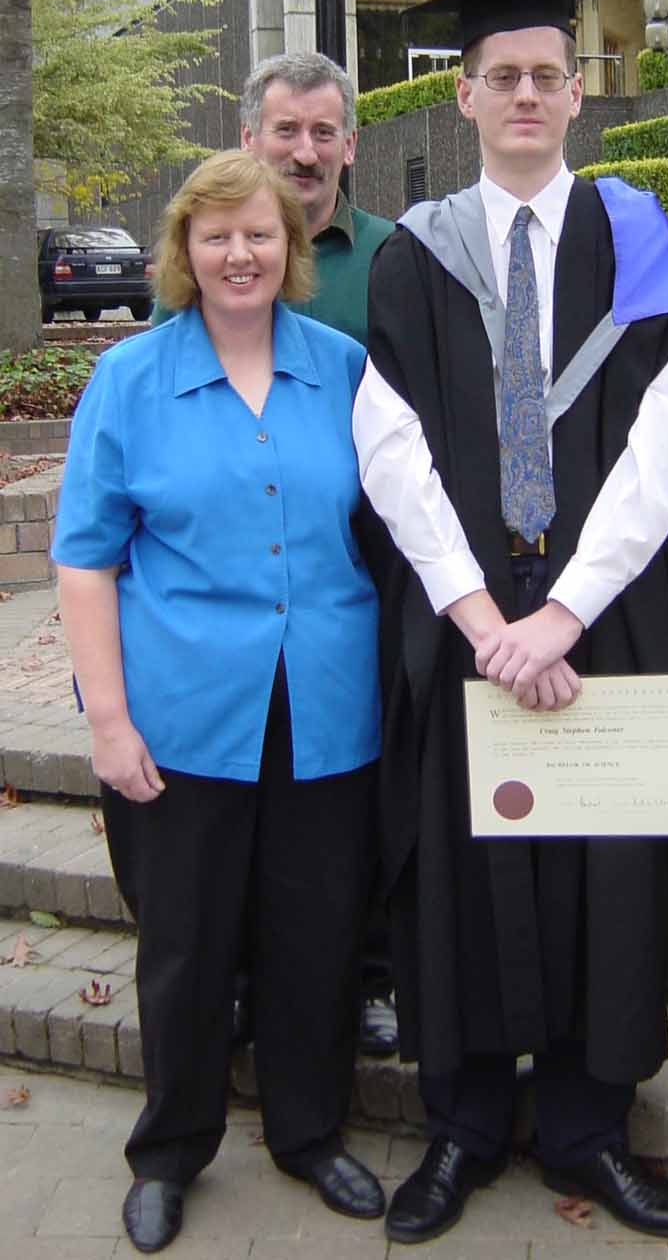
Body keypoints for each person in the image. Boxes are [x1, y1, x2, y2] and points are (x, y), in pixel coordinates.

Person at [353, 0, 668, 1245]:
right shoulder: (414, 252)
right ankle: (460, 1125)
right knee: (460, 861)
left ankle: (588, 1129)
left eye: (544, 77)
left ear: (575, 94)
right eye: (499, 77)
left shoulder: (635, 233)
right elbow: (388, 445)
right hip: (464, 624)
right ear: (462, 96)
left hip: (602, 612)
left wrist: (558, 613)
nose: (523, 95)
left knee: (607, 868)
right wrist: (477, 614)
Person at [52, 150, 385, 1253]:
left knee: (316, 936)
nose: (240, 254)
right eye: (217, 236)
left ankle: (309, 1131)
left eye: (260, 234)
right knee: (186, 945)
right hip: (183, 713)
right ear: (183, 253)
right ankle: (170, 1150)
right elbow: (84, 560)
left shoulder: (343, 369)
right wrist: (108, 721)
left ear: (292, 248)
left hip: (325, 705)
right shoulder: (131, 379)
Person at [154, 51, 400, 1058]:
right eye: (286, 130)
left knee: (345, 805)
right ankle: (238, 985)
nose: (305, 149)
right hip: (229, 592)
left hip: (356, 579)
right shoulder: (207, 255)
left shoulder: (392, 258)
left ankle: (366, 975)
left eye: (322, 131)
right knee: (238, 810)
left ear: (350, 144)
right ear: (250, 136)